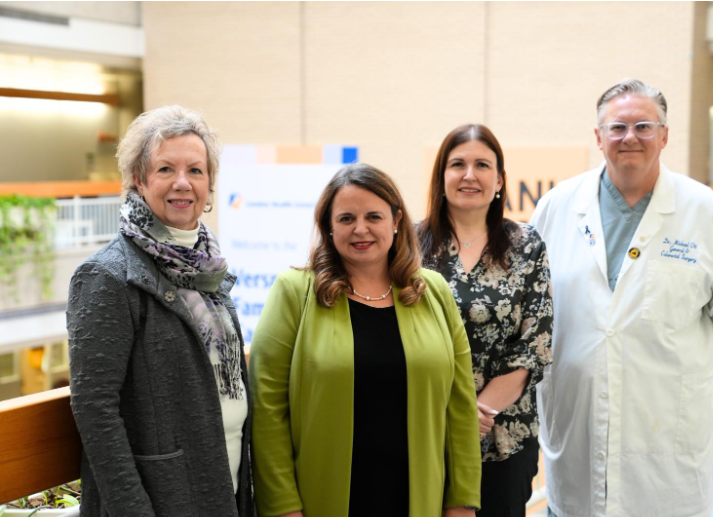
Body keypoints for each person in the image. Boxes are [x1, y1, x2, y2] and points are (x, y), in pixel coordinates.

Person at [530, 79, 713, 517]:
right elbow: (536, 309)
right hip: (577, 424)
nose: (629, 137)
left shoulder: (707, 213)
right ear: (598, 137)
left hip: (666, 430)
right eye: (616, 128)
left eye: (643, 126)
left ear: (665, 136)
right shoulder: (556, 207)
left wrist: (693, 385)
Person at [250, 163, 481, 517]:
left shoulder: (433, 292)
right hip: (322, 499)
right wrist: (282, 505)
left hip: (419, 499)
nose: (361, 229)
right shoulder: (294, 292)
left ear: (396, 220)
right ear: (328, 225)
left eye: (374, 216)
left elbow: (461, 408)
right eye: (346, 218)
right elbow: (267, 410)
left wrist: (462, 501)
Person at [67, 105, 252, 517]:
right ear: (139, 179)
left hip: (227, 481)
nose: (182, 183)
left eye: (196, 170)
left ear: (210, 184)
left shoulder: (211, 269)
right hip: (162, 498)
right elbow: (95, 409)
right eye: (166, 169)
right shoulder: (107, 275)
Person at [418, 124, 554, 517]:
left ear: (499, 180)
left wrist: (474, 413)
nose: (469, 175)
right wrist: (451, 416)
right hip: (427, 430)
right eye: (457, 164)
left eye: (482, 164)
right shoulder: (409, 246)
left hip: (504, 436)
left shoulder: (526, 245)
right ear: (441, 176)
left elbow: (535, 344)